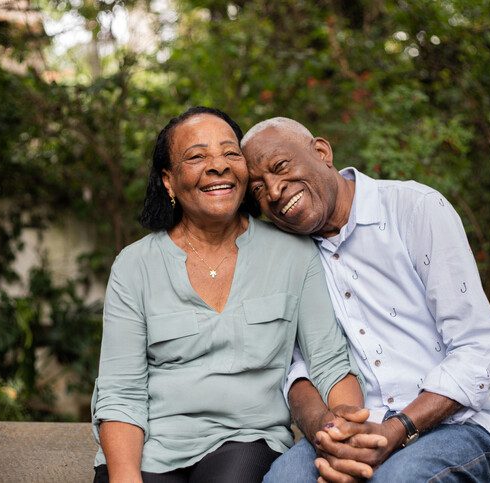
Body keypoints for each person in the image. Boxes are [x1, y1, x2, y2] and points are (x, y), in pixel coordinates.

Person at [90, 107, 364, 483]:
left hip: (247, 438)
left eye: (230, 153)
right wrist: (125, 476)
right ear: (169, 181)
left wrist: (347, 432)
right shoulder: (134, 265)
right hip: (152, 445)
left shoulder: (293, 254)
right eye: (197, 156)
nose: (217, 166)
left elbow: (329, 362)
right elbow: (121, 392)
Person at [241, 117, 490, 482]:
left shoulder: (414, 209)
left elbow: (478, 347)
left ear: (322, 152)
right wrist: (326, 432)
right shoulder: (289, 255)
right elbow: (297, 369)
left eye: (280, 167)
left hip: (458, 425)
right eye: (259, 188)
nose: (274, 192)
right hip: (355, 428)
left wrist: (398, 428)